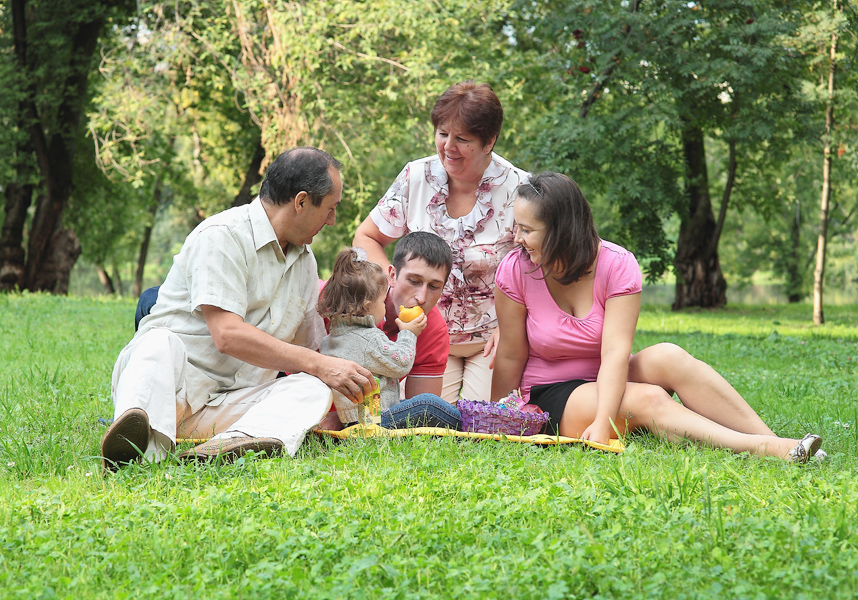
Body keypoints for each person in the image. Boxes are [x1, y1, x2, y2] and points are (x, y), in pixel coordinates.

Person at [490, 172, 824, 462]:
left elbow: (616, 353)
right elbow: (509, 353)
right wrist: (498, 419)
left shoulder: (616, 263)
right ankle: (768, 449)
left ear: (561, 230)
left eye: (527, 229)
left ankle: (781, 441)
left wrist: (604, 416)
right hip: (550, 394)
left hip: (606, 377)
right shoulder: (517, 269)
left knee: (669, 355)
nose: (517, 238)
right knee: (647, 398)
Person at [101, 147, 375, 471]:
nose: (332, 220)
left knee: (312, 387)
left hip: (230, 407)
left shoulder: (305, 263)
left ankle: (228, 446)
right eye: (330, 209)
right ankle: (137, 445)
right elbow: (227, 335)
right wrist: (320, 363)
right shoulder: (223, 235)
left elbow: (311, 351)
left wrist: (344, 388)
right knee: (158, 342)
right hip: (167, 389)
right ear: (301, 202)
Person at [353, 81, 529, 404]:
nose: (448, 146)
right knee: (420, 419)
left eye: (462, 139)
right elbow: (366, 237)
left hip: (492, 339)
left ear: (489, 141)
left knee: (480, 427)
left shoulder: (519, 189)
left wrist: (513, 323)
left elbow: (536, 265)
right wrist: (391, 287)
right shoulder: (415, 177)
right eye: (443, 133)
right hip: (423, 335)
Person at [315, 231, 458, 431]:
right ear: (392, 275)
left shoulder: (432, 328)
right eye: (414, 281)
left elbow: (416, 419)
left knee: (427, 405)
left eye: (434, 286)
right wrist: (408, 334)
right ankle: (469, 423)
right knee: (430, 406)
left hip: (369, 416)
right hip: (350, 416)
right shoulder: (337, 301)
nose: (421, 297)